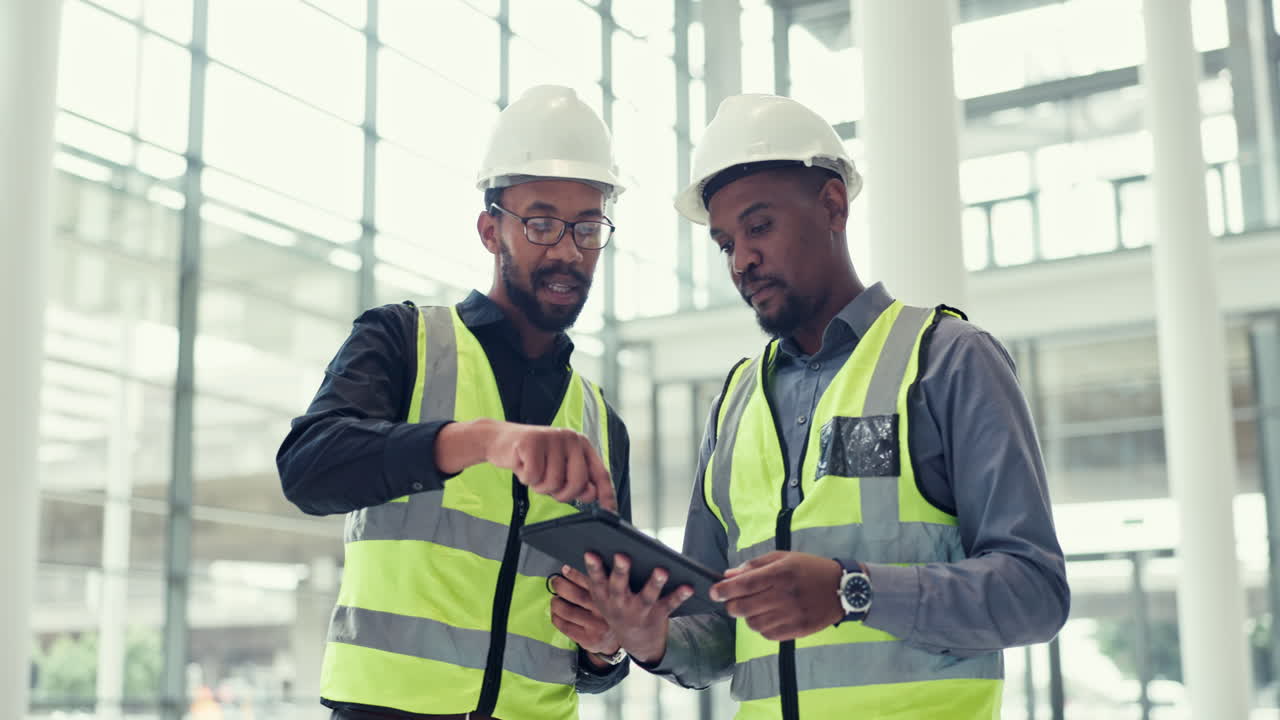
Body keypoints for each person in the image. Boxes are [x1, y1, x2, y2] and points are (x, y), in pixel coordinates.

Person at [556, 94, 1071, 719]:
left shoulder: (948, 360)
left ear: (833, 205)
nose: (741, 260)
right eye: (725, 243)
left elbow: (1034, 593)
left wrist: (852, 590)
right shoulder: (734, 403)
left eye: (759, 226)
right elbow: (717, 635)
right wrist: (648, 638)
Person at [277, 85, 633, 720]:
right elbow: (307, 471)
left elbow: (597, 650)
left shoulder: (603, 423)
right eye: (542, 222)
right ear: (489, 229)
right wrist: (485, 441)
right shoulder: (403, 341)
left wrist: (607, 647)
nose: (567, 250)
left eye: (588, 226)